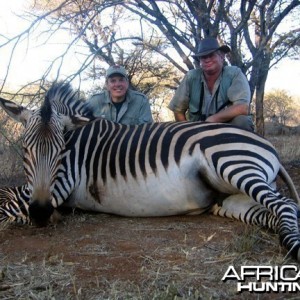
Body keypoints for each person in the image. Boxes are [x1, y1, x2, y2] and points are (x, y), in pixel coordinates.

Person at [168, 37, 254, 131]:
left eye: (211, 55)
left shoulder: (234, 74)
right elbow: (178, 110)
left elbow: (242, 107)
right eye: (203, 57)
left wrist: (212, 120)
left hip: (227, 130)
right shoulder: (191, 77)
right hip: (198, 131)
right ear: (200, 60)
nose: (207, 59)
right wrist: (187, 132)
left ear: (222, 56)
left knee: (242, 121)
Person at [86, 65, 153, 125]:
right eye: (113, 81)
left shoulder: (141, 101)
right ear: (107, 84)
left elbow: (146, 130)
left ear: (127, 82)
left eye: (121, 80)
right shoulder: (94, 101)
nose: (117, 84)